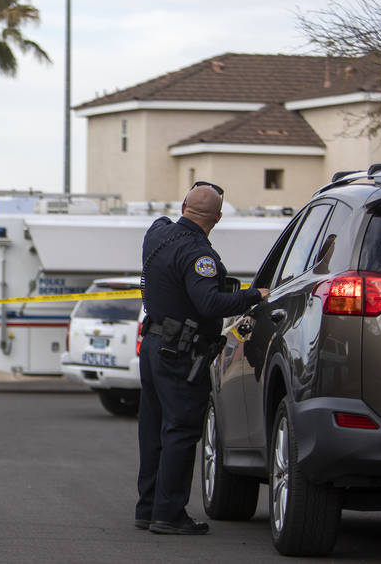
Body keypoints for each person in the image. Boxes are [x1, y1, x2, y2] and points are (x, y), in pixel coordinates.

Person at [135, 182, 269, 535]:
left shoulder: (157, 235)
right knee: (180, 430)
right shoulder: (200, 255)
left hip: (151, 344)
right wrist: (254, 295)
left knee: (153, 430)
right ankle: (168, 515)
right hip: (180, 352)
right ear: (218, 218)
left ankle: (147, 508)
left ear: (183, 206)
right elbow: (209, 303)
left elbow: (160, 224)